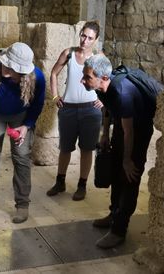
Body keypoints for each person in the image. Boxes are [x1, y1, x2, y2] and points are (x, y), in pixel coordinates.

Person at [81, 54, 154, 248]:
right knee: (115, 171)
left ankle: (119, 230)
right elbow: (107, 108)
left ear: (104, 77)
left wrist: (128, 160)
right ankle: (113, 215)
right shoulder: (102, 87)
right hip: (123, 127)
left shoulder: (123, 92)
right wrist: (105, 134)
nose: (83, 80)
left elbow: (130, 131)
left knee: (129, 176)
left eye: (87, 77)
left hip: (138, 132)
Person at [0, 42, 46, 224]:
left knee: (22, 159)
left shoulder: (37, 77)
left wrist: (27, 125)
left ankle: (22, 205)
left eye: (12, 68)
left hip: (20, 117)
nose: (6, 70)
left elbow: (37, 104)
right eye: (6, 64)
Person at [46, 21, 103, 201]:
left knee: (87, 149)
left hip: (91, 110)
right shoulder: (68, 53)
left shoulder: (99, 58)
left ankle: (81, 185)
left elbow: (108, 81)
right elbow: (54, 73)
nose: (85, 41)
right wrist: (55, 96)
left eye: (90, 38)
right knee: (65, 148)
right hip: (68, 109)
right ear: (80, 34)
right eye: (83, 35)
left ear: (96, 40)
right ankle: (60, 181)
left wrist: (103, 100)